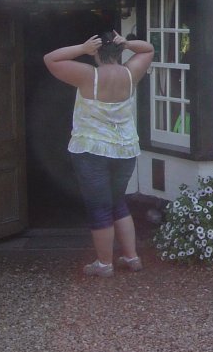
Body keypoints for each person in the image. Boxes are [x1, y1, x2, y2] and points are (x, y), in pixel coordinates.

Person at [44, 31, 154, 276]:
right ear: (119, 51)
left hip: (91, 150)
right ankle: (131, 257)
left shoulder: (88, 75)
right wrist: (128, 43)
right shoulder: (131, 72)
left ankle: (104, 264)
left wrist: (82, 48)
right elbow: (148, 49)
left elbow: (50, 59)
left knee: (99, 206)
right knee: (117, 201)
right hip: (124, 149)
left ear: (96, 52)